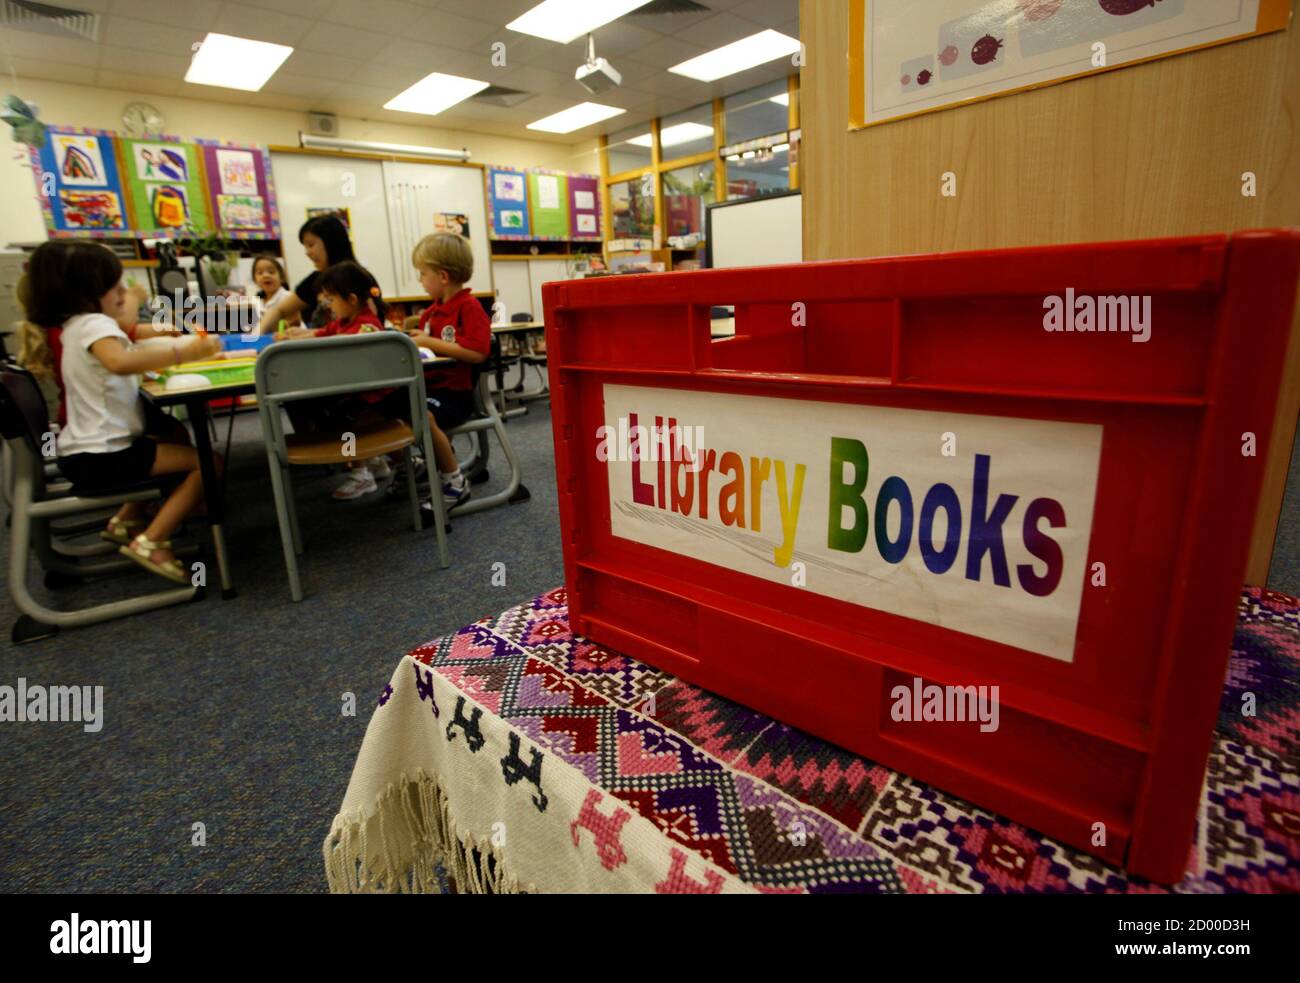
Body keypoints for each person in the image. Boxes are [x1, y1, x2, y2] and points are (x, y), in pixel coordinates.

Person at [19, 241, 222, 583]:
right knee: (207, 463)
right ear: (87, 292)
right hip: (102, 456)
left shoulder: (77, 325)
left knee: (164, 438)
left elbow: (116, 360)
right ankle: (153, 540)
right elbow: (119, 362)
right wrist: (183, 353)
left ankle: (127, 519)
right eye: (116, 287)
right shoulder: (94, 324)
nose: (124, 293)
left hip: (85, 453)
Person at [273, 260, 393, 500]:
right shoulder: (345, 321)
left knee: (343, 424)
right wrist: (297, 334)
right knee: (331, 413)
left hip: (372, 399)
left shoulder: (366, 327)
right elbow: (321, 333)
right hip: (354, 393)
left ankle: (361, 473)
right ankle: (374, 463)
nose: (328, 306)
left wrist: (303, 339)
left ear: (351, 300)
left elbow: (336, 344)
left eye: (331, 299)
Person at [401, 233, 490, 509]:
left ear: (441, 276)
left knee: (420, 415)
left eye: (422, 273)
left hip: (456, 394)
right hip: (431, 388)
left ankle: (455, 483)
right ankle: (420, 466)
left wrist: (428, 342)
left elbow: (478, 352)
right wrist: (420, 339)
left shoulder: (469, 307)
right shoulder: (430, 313)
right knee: (392, 409)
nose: (420, 280)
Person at [258, 214, 355, 334]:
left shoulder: (356, 278)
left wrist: (306, 334)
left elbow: (361, 330)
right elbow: (279, 310)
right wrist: (257, 335)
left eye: (311, 245)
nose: (307, 253)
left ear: (331, 243)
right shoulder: (315, 279)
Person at [250, 254, 297, 332]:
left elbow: (294, 322)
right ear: (255, 280)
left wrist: (267, 325)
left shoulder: (288, 297)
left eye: (271, 272)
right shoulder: (255, 301)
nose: (265, 275)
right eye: (260, 273)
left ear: (281, 277)